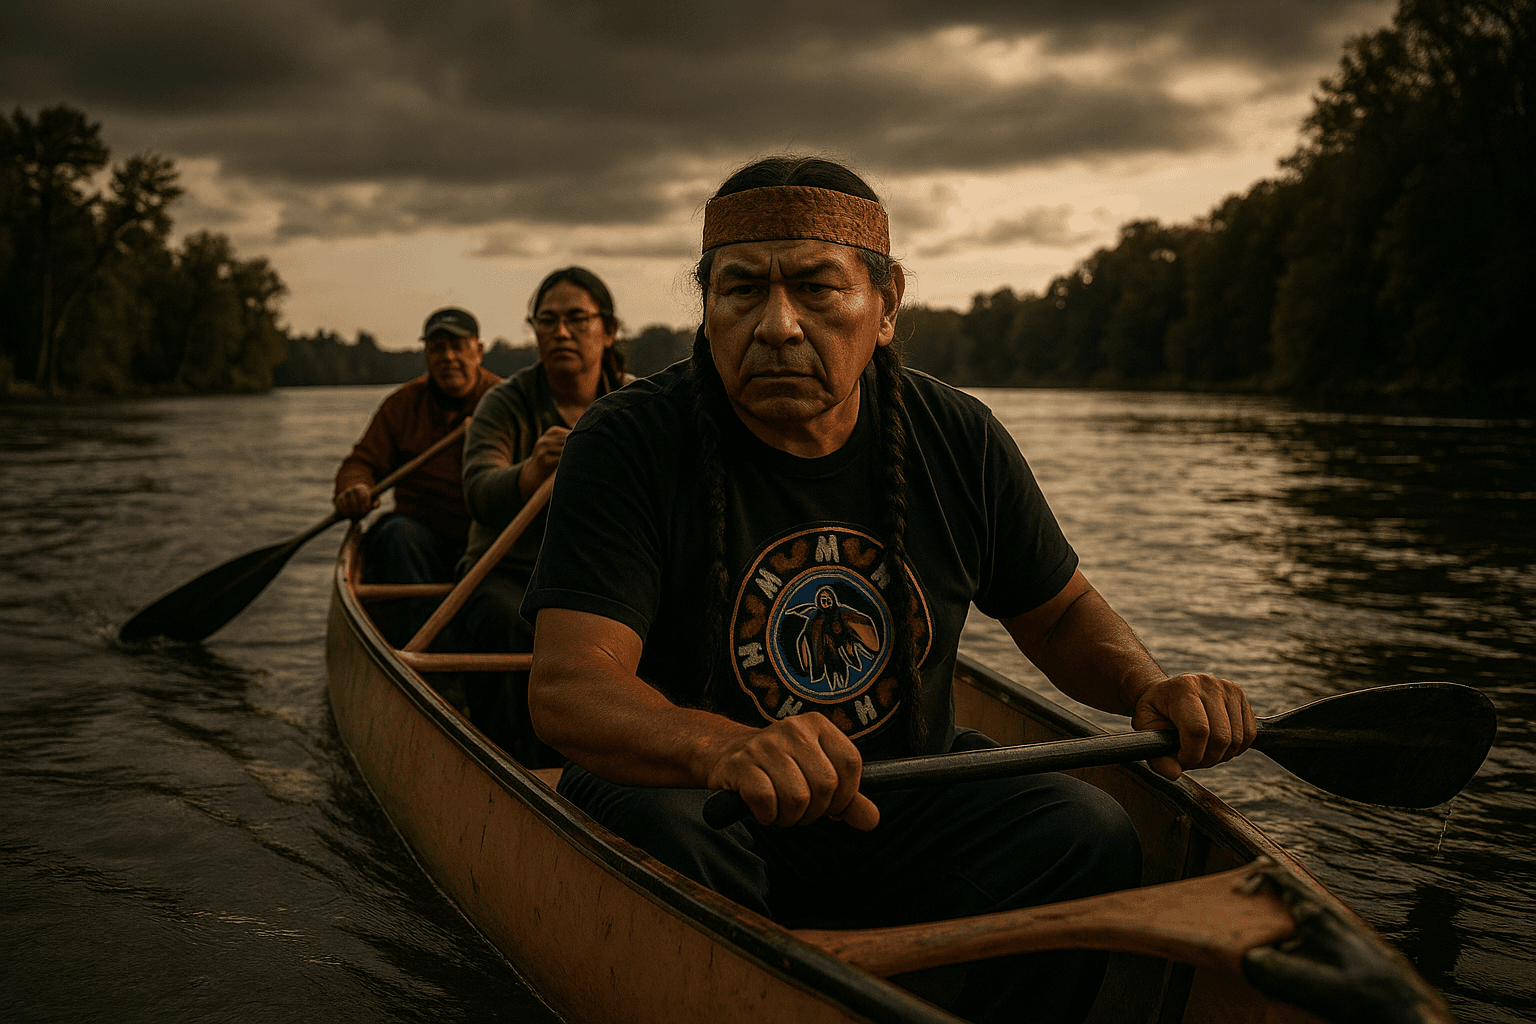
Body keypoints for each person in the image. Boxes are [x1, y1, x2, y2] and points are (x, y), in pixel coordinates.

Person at [521, 158, 1257, 1024]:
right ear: (706, 306)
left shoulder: (958, 435)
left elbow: (1058, 615)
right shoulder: (629, 439)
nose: (777, 326)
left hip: (899, 790)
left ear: (887, 304)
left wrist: (1148, 685)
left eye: (817, 290)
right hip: (703, 797)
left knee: (1086, 834)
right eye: (742, 290)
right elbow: (571, 687)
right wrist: (722, 749)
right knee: (671, 838)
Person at [457, 268, 631, 765]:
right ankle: (507, 764)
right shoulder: (504, 403)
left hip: (608, 580)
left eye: (577, 319)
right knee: (498, 617)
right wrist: (532, 471)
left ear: (609, 329)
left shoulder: (640, 407)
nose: (560, 332)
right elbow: (478, 492)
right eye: (547, 321)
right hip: (508, 575)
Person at [333, 306, 501, 647]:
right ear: (426, 354)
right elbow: (362, 461)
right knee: (396, 535)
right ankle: (423, 654)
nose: (448, 357)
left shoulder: (504, 401)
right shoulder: (402, 405)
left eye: (457, 346)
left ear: (478, 351)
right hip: (421, 534)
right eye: (437, 348)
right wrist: (355, 487)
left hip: (490, 534)